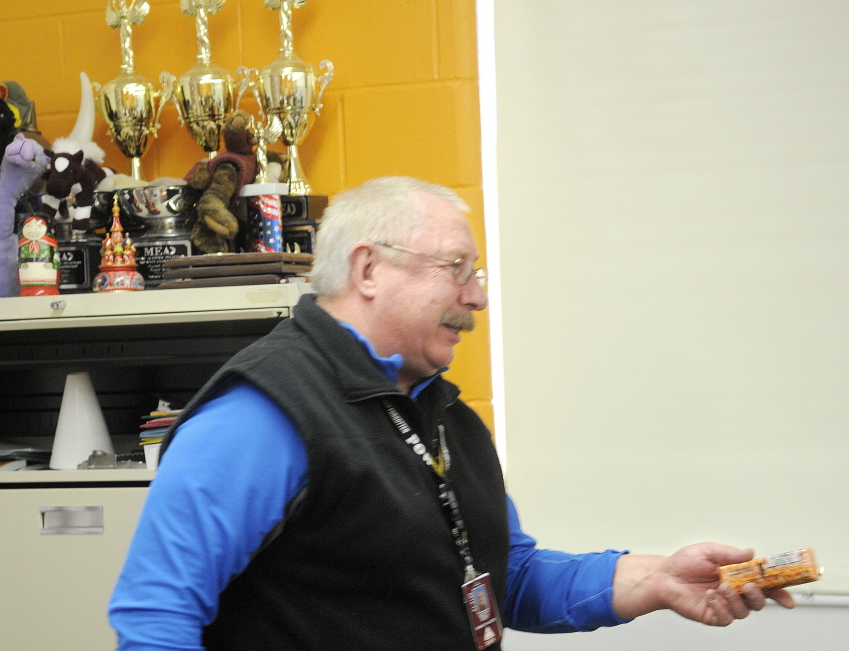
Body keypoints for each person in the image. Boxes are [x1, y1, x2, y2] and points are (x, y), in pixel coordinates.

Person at [109, 176, 795, 651]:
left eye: (477, 275)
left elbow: (507, 576)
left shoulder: (442, 413)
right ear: (369, 269)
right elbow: (155, 614)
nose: (476, 298)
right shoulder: (262, 414)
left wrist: (657, 578)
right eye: (456, 268)